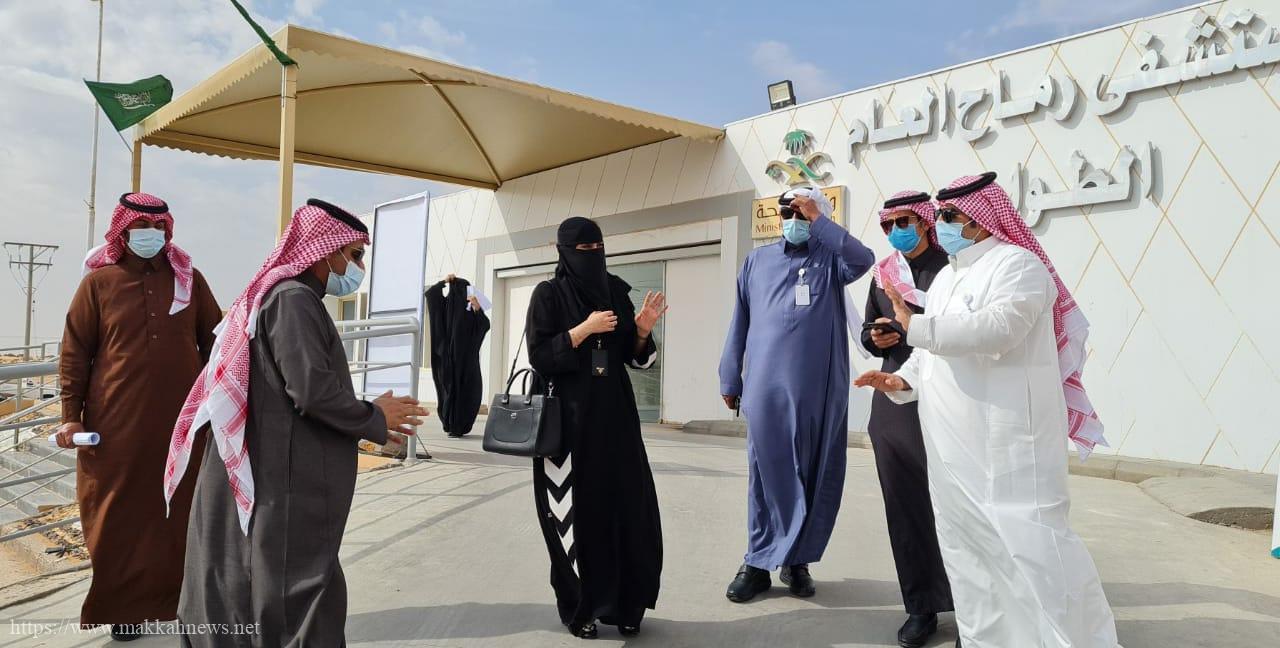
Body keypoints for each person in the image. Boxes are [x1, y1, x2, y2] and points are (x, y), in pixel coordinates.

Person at [855, 173, 1117, 647]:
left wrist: (915, 326)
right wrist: (901, 381)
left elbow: (999, 329)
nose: (942, 225)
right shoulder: (949, 278)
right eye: (940, 216)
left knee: (1032, 551)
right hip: (951, 452)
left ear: (979, 219)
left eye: (949, 216)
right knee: (968, 556)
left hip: (1007, 445)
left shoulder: (1019, 266)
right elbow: (931, 351)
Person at [167, 199, 427, 647]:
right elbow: (311, 391)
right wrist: (373, 416)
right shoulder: (293, 299)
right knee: (297, 589)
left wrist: (368, 412)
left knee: (264, 579)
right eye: (355, 255)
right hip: (282, 477)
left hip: (273, 464)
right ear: (327, 251)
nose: (359, 268)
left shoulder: (286, 297)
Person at [55, 193, 222, 640]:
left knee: (181, 513)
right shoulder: (99, 284)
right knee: (118, 518)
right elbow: (74, 353)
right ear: (123, 231)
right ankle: (124, 611)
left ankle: (184, 604)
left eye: (157, 228)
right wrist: (71, 416)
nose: (150, 235)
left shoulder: (189, 281)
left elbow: (217, 344)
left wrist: (222, 405)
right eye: (140, 228)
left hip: (182, 426)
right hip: (115, 426)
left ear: (168, 231)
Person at [718, 186, 875, 602]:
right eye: (787, 212)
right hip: (765, 389)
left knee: (813, 473)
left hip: (819, 390)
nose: (793, 219)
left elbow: (864, 258)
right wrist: (730, 376)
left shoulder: (832, 260)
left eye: (802, 212)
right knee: (765, 476)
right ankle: (756, 563)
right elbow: (740, 320)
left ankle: (797, 562)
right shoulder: (757, 261)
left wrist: (819, 222)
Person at [525, 216, 667, 639]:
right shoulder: (548, 294)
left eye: (597, 248)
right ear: (564, 252)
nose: (592, 256)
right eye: (583, 250)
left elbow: (633, 356)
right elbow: (539, 354)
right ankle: (581, 607)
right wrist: (583, 330)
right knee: (574, 513)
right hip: (568, 425)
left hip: (616, 418)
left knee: (629, 507)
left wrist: (641, 331)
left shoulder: (616, 290)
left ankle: (627, 605)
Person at [861, 191, 954, 648]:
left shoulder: (953, 268)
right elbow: (867, 330)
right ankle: (921, 605)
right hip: (895, 396)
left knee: (956, 504)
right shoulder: (884, 274)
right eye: (888, 224)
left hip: (948, 396)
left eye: (903, 221)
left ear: (924, 221)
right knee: (906, 506)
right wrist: (877, 337)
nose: (895, 230)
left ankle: (975, 604)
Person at [425, 274, 491, 437]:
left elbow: (484, 325)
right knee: (453, 390)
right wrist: (444, 281)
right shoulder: (446, 305)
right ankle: (452, 424)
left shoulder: (469, 309)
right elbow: (431, 294)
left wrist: (477, 308)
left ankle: (457, 425)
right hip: (454, 361)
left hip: (462, 362)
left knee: (464, 391)